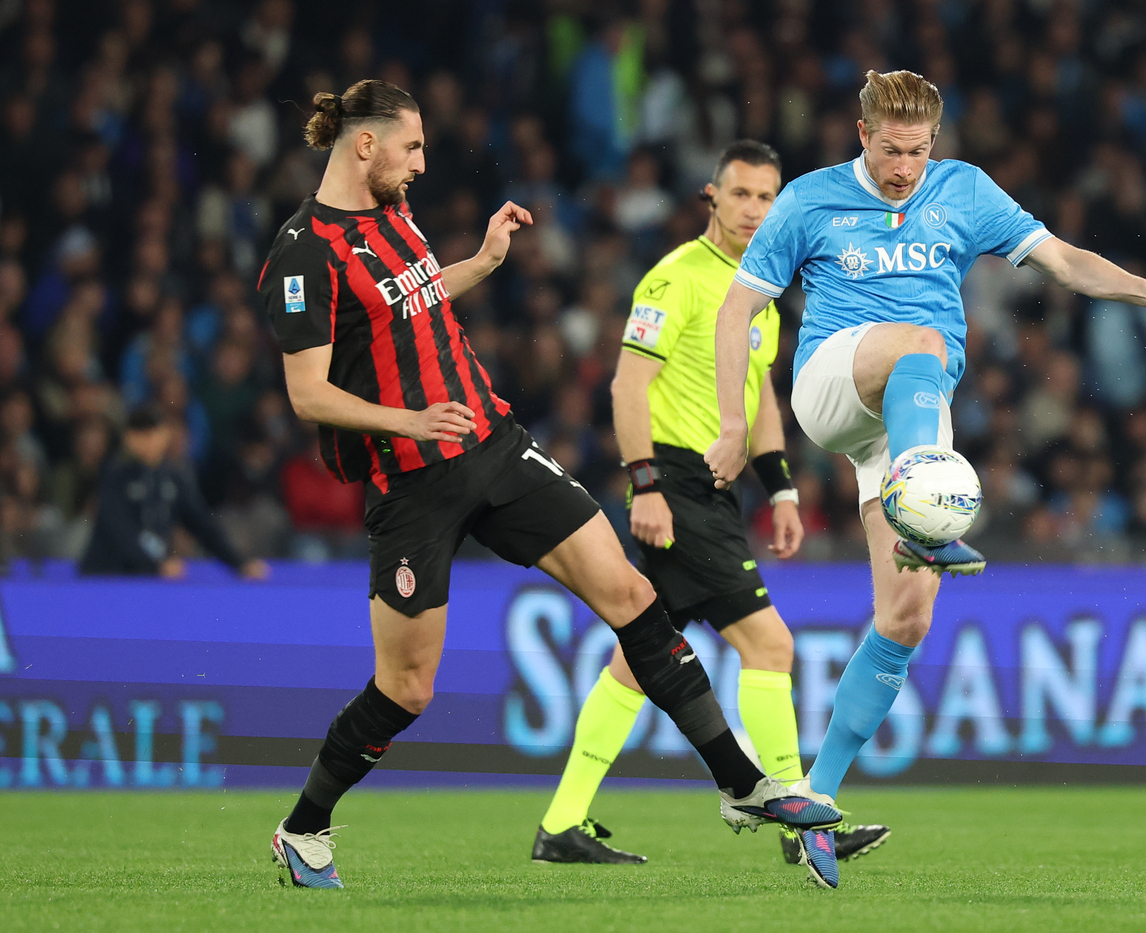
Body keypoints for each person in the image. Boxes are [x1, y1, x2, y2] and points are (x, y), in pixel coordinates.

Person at [257, 80, 839, 890]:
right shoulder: (303, 252)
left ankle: (741, 784)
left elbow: (407, 304)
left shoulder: (395, 215)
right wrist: (410, 420)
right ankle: (304, 826)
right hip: (411, 479)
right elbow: (308, 393)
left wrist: (482, 262)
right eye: (412, 147)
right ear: (365, 145)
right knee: (407, 687)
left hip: (493, 444)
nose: (420, 164)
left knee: (632, 596)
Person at [705, 70, 1146, 889]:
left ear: (935, 142)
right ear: (862, 136)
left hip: (912, 407)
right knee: (923, 341)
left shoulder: (963, 190)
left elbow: (1062, 260)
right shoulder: (809, 200)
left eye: (918, 151)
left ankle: (814, 800)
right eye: (890, 150)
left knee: (906, 617)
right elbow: (735, 311)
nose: (905, 167)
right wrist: (734, 424)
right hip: (835, 380)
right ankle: (920, 496)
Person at [533, 141, 890, 867]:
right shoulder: (676, 278)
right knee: (770, 645)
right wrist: (645, 484)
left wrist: (781, 488)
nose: (755, 209)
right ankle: (801, 824)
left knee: (638, 657)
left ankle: (562, 824)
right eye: (742, 194)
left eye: (767, 197)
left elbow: (759, 399)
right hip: (675, 483)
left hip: (715, 490)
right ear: (712, 196)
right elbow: (627, 386)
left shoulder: (759, 293)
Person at [78, 404, 269, 580]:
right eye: (138, 433)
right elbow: (120, 529)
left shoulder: (173, 478)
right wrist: (156, 564)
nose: (146, 440)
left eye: (151, 432)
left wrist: (239, 563)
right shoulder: (115, 475)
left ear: (165, 434)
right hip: (108, 576)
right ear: (127, 437)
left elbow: (202, 524)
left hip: (151, 578)